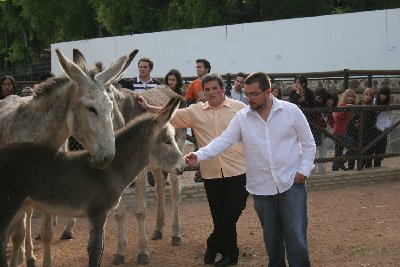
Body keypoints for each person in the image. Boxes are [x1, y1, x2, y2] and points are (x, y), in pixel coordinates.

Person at [184, 72, 315, 267]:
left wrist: (303, 172)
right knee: (271, 238)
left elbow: (308, 143)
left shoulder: (291, 111)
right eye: (246, 94)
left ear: (268, 92)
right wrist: (199, 155)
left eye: (254, 94)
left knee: (295, 236)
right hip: (262, 188)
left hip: (291, 184)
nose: (249, 99)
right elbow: (224, 140)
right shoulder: (242, 117)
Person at [138, 73, 248, 267]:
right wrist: (148, 108)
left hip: (237, 170)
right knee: (219, 215)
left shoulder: (239, 109)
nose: (211, 92)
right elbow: (170, 115)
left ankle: (213, 245)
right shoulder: (195, 111)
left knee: (232, 210)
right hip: (211, 172)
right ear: (202, 93)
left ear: (223, 89)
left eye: (215, 88)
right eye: (207, 90)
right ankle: (230, 254)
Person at [332, 89, 358, 171]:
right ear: (345, 97)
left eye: (352, 97)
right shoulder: (342, 104)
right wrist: (346, 107)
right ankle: (340, 162)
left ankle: (336, 167)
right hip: (339, 132)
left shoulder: (351, 107)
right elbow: (337, 115)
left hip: (343, 131)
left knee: (338, 152)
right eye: (348, 96)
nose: (350, 98)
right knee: (354, 145)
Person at [312, 88, 335, 174]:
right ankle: (312, 172)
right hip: (314, 132)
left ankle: (321, 171)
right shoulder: (314, 108)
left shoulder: (327, 110)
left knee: (323, 153)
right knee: (314, 152)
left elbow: (332, 122)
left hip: (324, 133)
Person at [373, 86, 393, 167]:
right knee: (372, 147)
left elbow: (390, 117)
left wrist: (387, 126)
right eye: (381, 94)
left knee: (381, 149)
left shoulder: (388, 104)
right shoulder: (374, 101)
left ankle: (377, 165)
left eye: (385, 94)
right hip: (374, 127)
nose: (383, 96)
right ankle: (369, 166)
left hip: (383, 128)